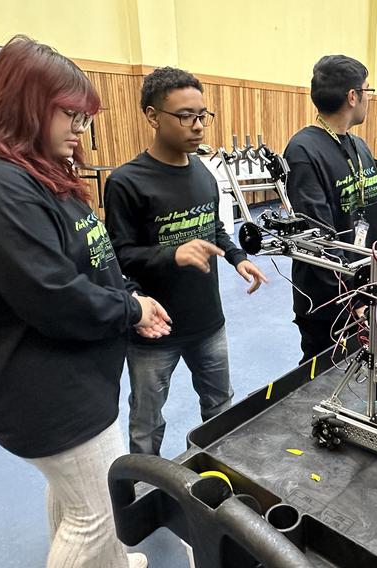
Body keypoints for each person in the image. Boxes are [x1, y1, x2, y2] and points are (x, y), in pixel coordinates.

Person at [0, 36, 170, 568]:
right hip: (43, 389)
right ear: (24, 107)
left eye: (84, 117)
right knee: (97, 513)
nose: (80, 129)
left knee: (79, 497)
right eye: (69, 114)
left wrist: (130, 296)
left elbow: (92, 260)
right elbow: (53, 296)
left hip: (75, 375)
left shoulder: (41, 174)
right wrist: (130, 311)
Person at [105, 67, 267, 456]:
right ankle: (143, 495)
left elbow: (213, 230)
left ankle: (217, 474)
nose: (198, 126)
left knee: (220, 408)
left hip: (208, 323)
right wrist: (171, 254)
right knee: (147, 422)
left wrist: (236, 258)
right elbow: (118, 257)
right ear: (152, 115)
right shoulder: (126, 182)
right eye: (185, 116)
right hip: (154, 330)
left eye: (202, 116)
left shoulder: (203, 175)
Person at [284, 54, 377, 363]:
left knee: (367, 371)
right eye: (368, 90)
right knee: (322, 374)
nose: (369, 98)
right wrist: (351, 296)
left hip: (366, 286)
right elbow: (318, 240)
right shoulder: (303, 150)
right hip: (328, 300)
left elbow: (375, 203)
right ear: (353, 96)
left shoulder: (358, 146)